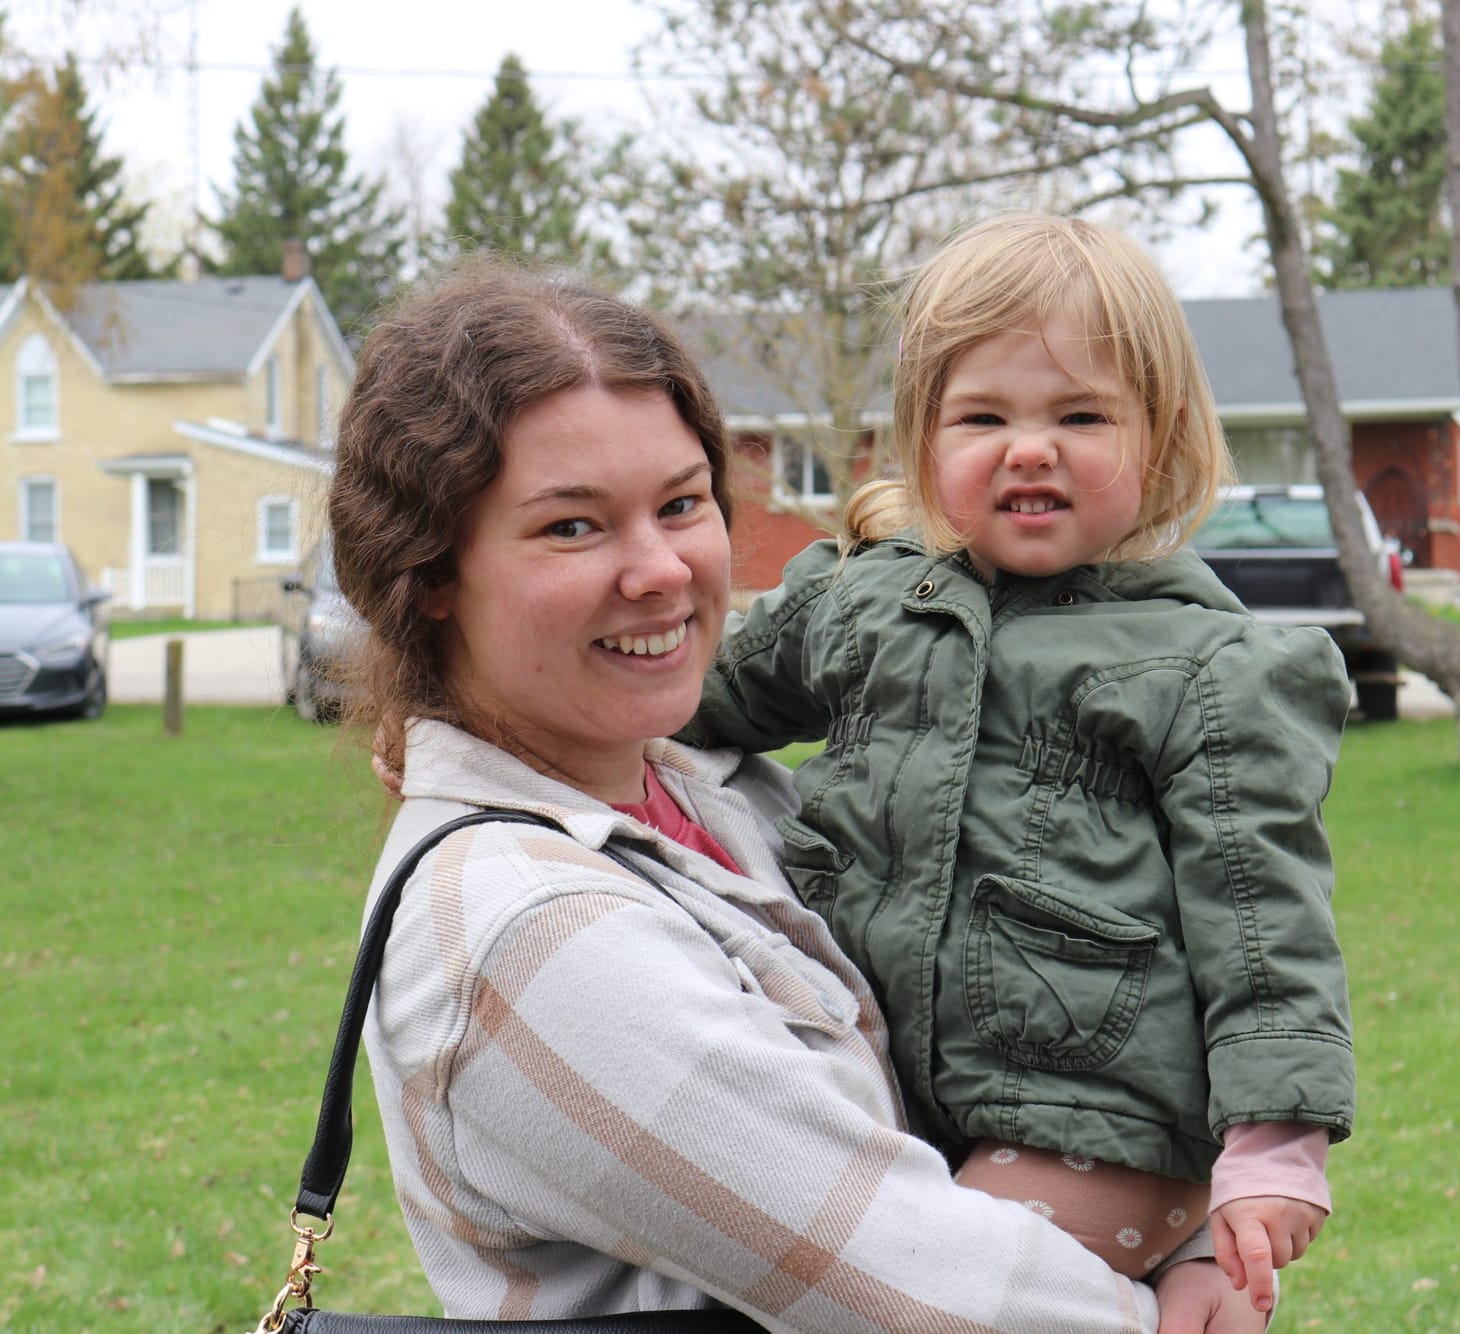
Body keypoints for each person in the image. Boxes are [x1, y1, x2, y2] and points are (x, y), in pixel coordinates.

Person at [330, 259, 1262, 1331]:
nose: (661, 571)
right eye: (572, 527)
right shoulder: (529, 930)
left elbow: (1030, 1029)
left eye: (681, 504)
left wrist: (1180, 1230)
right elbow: (922, 1286)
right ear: (428, 575)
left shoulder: (727, 796)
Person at [681, 214, 1356, 1315]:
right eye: (982, 415)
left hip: (1101, 1125)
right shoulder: (862, 598)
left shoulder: (1204, 663)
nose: (1028, 446)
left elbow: (1259, 912)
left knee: (930, 1295)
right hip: (894, 1098)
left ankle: (1184, 1257)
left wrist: (1272, 1143)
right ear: (924, 437)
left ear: (1162, 434)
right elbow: (700, 698)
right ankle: (1179, 1276)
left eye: (1079, 415)